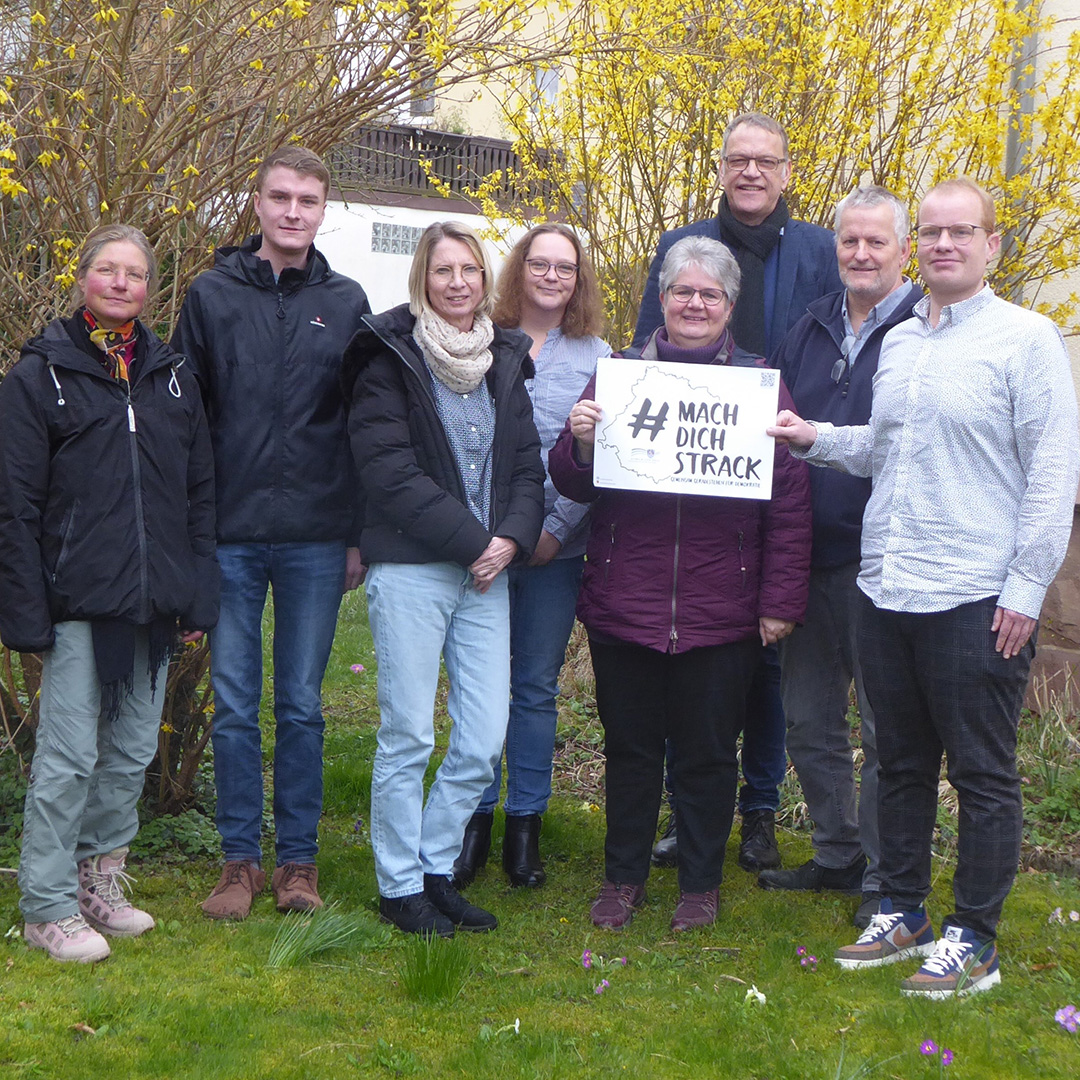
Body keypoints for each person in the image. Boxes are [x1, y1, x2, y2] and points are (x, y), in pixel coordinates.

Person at [770, 178, 1080, 997]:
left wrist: (1025, 590)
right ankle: (901, 909)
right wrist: (813, 440)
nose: (945, 245)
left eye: (960, 233)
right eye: (934, 232)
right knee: (899, 761)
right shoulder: (903, 337)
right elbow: (885, 446)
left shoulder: (1027, 340)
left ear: (991, 246)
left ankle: (974, 935)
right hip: (886, 584)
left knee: (981, 772)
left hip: (975, 594)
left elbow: (1053, 476)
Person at [550, 236, 811, 932]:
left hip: (720, 608)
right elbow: (571, 480)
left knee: (705, 756)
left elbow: (789, 503)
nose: (695, 304)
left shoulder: (761, 385)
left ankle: (700, 884)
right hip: (624, 602)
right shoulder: (618, 374)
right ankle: (622, 878)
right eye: (682, 291)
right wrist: (578, 440)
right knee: (630, 751)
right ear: (660, 299)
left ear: (730, 305)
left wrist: (780, 601)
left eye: (710, 294)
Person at [0, 224, 218, 962]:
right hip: (79, 604)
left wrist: (197, 593)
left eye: (134, 274)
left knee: (128, 753)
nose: (120, 283)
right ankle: (48, 905)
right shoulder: (40, 376)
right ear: (83, 278)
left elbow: (199, 494)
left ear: (150, 290)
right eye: (107, 270)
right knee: (68, 758)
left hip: (154, 605)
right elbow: (16, 504)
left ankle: (100, 879)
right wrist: (26, 608)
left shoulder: (173, 376)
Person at [634, 113, 841, 873]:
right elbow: (646, 353)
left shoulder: (820, 249)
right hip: (695, 483)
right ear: (720, 168)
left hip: (781, 467)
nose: (750, 172)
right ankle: (684, 812)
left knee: (770, 662)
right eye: (737, 160)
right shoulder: (683, 245)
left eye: (765, 161)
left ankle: (757, 813)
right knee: (690, 660)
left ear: (786, 172)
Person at [172, 146, 371, 920]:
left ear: (325, 211)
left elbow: (362, 426)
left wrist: (358, 534)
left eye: (309, 201)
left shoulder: (348, 302)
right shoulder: (212, 297)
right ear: (256, 204)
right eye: (280, 197)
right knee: (231, 702)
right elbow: (187, 422)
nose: (293, 212)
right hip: (230, 535)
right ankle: (237, 862)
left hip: (318, 537)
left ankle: (297, 863)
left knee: (300, 704)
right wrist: (194, 533)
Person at [343, 221, 544, 938]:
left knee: (483, 736)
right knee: (408, 735)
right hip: (414, 570)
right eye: (442, 271)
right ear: (422, 279)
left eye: (468, 270)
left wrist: (512, 539)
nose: (457, 283)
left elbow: (526, 466)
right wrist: (474, 544)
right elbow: (388, 473)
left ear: (484, 279)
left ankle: (434, 867)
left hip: (486, 575)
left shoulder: (505, 359)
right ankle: (399, 886)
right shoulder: (388, 356)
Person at [760, 186, 922, 929]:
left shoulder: (927, 330)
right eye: (849, 243)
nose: (860, 255)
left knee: (888, 733)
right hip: (814, 555)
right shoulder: (812, 325)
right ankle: (837, 853)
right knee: (809, 721)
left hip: (893, 564)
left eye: (875, 243)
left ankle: (886, 874)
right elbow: (772, 424)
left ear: (902, 250)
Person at [450, 224, 611, 890]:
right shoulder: (478, 339)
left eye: (565, 268)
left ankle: (525, 828)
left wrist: (556, 528)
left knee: (534, 690)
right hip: (482, 544)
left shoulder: (598, 354)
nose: (551, 276)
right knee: (477, 688)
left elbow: (603, 455)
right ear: (519, 270)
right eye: (539, 264)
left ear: (579, 279)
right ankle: (474, 821)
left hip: (554, 548)